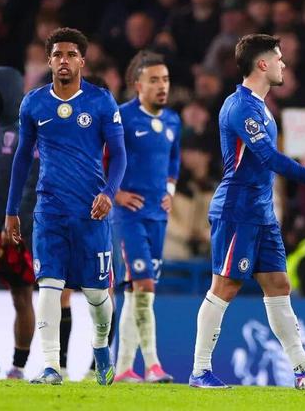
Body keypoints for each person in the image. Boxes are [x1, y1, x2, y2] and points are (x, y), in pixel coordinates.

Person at [188, 34, 305, 389]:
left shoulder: (261, 107)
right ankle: (200, 370)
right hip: (238, 210)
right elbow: (269, 158)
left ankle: (303, 369)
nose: (283, 64)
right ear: (262, 64)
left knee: (279, 284)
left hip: (262, 213)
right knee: (225, 285)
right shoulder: (240, 107)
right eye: (278, 58)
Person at [3, 27, 127, 385]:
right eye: (57, 54)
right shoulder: (34, 103)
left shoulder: (101, 101)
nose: (64, 60)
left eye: (71, 54)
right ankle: (51, 367)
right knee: (49, 285)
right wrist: (12, 210)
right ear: (49, 60)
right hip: (50, 210)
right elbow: (22, 158)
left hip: (92, 211)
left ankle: (101, 346)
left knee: (97, 295)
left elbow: (119, 155)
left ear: (82, 61)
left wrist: (109, 192)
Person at [112, 50, 179, 383]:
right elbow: (98, 158)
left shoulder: (173, 121)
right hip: (129, 217)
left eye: (165, 79)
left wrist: (170, 190)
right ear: (138, 85)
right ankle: (153, 364)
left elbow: (173, 161)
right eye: (154, 80)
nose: (162, 86)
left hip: (157, 217)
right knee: (144, 285)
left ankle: (124, 368)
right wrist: (115, 193)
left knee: (135, 291)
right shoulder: (121, 117)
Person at [0, 67, 36, 380]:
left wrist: (16, 223)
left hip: (17, 230)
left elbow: (32, 185)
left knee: (22, 296)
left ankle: (18, 366)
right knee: (22, 297)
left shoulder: (29, 134)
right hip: (12, 228)